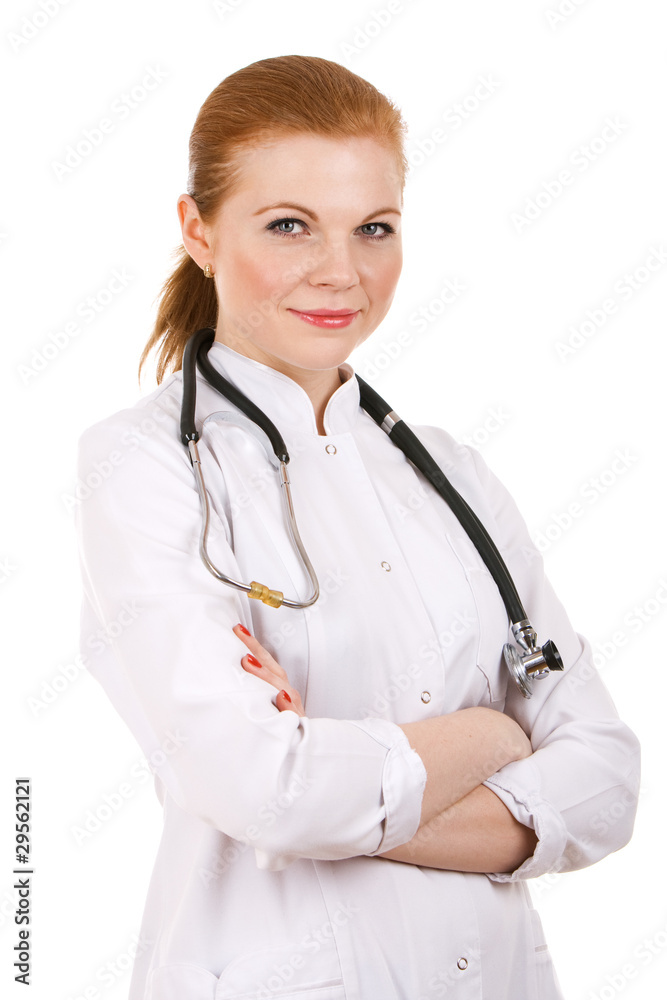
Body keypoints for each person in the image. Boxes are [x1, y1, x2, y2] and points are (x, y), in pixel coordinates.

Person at [74, 54, 640, 1000]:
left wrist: (334, 792)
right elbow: (264, 787)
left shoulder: (450, 473)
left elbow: (607, 782)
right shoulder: (143, 466)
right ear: (199, 231)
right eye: (288, 225)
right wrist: (494, 738)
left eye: (373, 228)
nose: (341, 272)